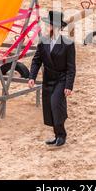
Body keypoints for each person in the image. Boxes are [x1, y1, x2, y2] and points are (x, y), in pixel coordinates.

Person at [28, 11, 76, 148]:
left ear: (55, 27)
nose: (46, 26)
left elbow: (71, 67)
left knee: (56, 105)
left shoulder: (68, 44)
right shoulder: (43, 41)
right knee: (49, 107)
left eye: (48, 24)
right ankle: (56, 135)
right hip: (48, 79)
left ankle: (61, 135)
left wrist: (69, 85)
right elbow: (36, 61)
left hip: (61, 79)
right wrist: (32, 76)